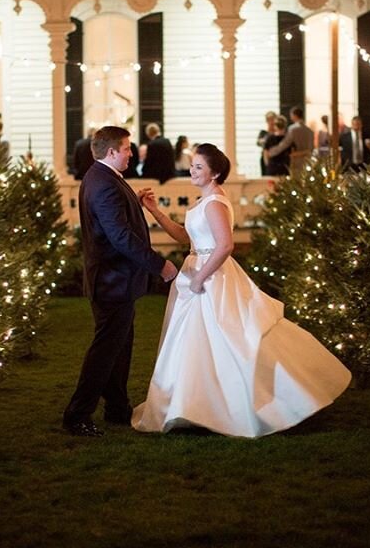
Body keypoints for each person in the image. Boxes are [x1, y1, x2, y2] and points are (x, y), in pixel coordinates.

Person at [132, 143, 351, 438]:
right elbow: (187, 237)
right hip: (198, 271)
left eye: (198, 167)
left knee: (230, 339)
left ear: (215, 173)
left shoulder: (215, 203)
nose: (192, 171)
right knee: (196, 343)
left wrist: (199, 279)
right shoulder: (204, 200)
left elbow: (224, 245)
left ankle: (244, 402)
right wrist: (155, 211)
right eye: (192, 165)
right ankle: (194, 402)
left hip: (211, 278)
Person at [63, 126, 178, 437]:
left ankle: (116, 406)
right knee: (105, 350)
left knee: (119, 346)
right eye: (127, 148)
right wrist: (160, 265)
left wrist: (134, 202)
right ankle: (77, 414)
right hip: (112, 281)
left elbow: (116, 220)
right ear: (112, 151)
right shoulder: (105, 184)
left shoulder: (102, 178)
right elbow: (121, 237)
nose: (132, 153)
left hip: (114, 280)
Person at [265, 106, 314, 176]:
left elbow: (285, 144)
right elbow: (311, 149)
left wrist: (272, 152)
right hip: (307, 161)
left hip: (295, 161)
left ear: (294, 115)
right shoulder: (310, 131)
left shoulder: (292, 129)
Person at [257, 111, 277, 176]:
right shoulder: (263, 133)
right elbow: (258, 142)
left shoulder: (278, 133)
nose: (271, 122)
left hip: (276, 159)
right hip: (265, 158)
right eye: (269, 120)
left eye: (273, 119)